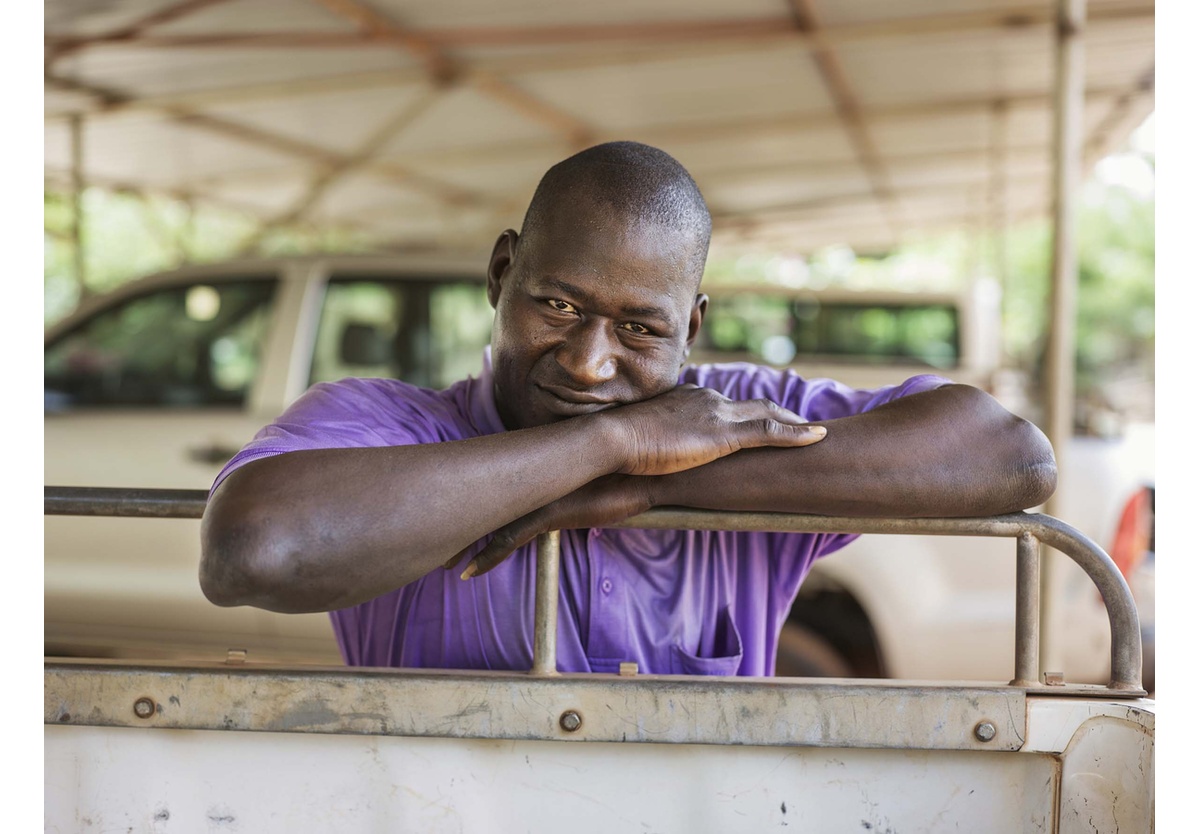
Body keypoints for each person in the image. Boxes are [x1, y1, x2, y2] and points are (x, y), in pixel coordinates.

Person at [199, 141, 1056, 676]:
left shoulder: (741, 416)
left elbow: (1011, 454)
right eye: (559, 307)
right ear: (501, 276)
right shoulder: (389, 425)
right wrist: (617, 440)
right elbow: (256, 549)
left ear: (693, 326)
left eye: (640, 329)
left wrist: (654, 485)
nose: (588, 360)